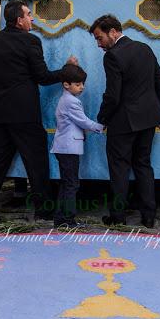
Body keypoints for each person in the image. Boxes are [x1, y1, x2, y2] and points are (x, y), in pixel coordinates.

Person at [0, 0, 76, 222]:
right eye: (29, 15)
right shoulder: (30, 42)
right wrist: (67, 70)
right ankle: (44, 209)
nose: (32, 19)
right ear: (19, 20)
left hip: (1, 110)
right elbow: (42, 77)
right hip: (25, 113)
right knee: (36, 161)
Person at [90, 14, 160, 227]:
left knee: (119, 168)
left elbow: (113, 95)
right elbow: (159, 80)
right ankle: (149, 216)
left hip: (123, 121)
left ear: (113, 32)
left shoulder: (112, 56)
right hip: (148, 119)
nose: (99, 44)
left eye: (100, 38)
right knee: (143, 165)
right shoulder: (145, 48)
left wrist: (102, 118)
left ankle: (118, 217)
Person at [50, 64, 104, 228]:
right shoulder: (71, 101)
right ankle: (68, 220)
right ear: (66, 84)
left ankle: (60, 219)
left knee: (67, 183)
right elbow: (83, 121)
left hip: (64, 147)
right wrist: (101, 127)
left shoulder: (67, 99)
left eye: (82, 84)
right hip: (68, 148)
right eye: (78, 84)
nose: (82, 87)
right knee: (72, 184)